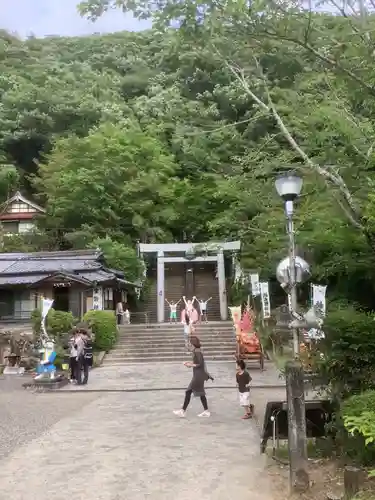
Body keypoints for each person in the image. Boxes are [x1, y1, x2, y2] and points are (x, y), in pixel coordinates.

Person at [173, 336, 211, 418]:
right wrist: (189, 363)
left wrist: (190, 365)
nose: (189, 344)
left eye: (190, 343)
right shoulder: (196, 351)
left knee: (188, 392)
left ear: (193, 343)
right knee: (201, 393)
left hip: (198, 375)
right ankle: (206, 411)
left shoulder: (197, 351)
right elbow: (196, 362)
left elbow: (200, 364)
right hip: (198, 374)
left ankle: (183, 411)